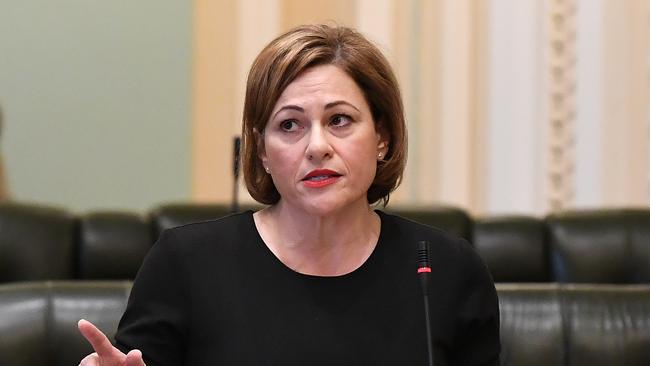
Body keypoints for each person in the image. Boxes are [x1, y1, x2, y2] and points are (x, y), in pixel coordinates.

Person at [78, 24, 500, 365]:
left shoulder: (447, 271)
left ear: (382, 138)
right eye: (289, 126)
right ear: (262, 151)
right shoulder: (185, 264)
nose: (317, 146)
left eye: (339, 120)